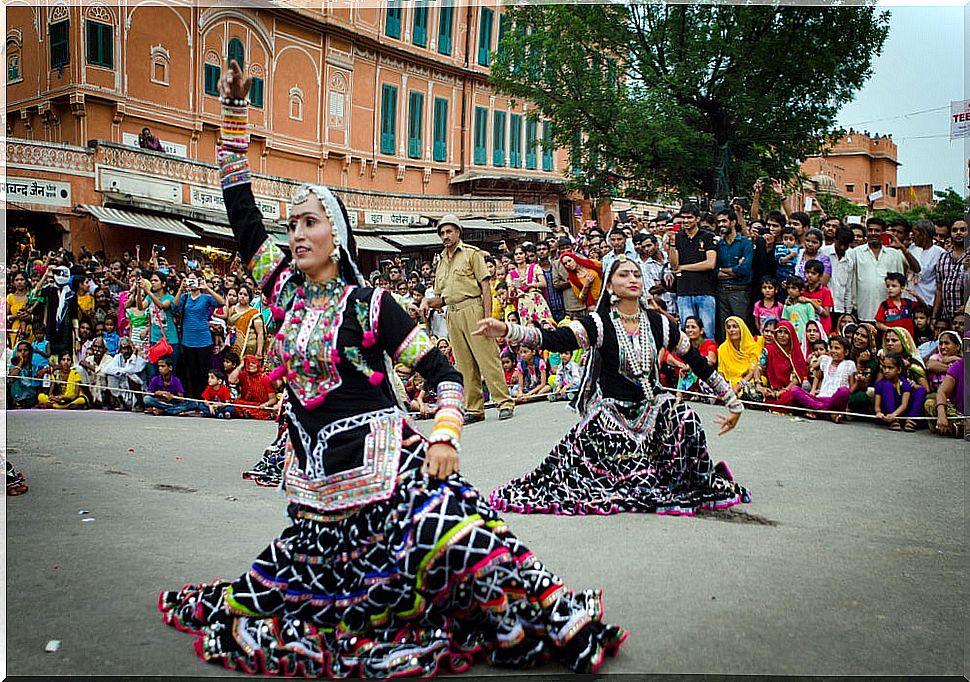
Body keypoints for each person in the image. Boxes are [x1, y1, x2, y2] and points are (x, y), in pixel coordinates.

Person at [160, 61, 623, 677]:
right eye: (292, 224)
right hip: (318, 489)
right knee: (298, 603)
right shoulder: (280, 292)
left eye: (310, 222)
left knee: (471, 548)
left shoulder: (373, 306)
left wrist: (445, 433)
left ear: (337, 236)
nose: (296, 233)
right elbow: (241, 212)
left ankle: (548, 614)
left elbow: (444, 373)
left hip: (394, 469)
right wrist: (235, 116)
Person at [477, 257, 749, 516]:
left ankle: (677, 477)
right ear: (609, 285)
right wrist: (505, 329)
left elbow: (697, 362)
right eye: (623, 274)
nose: (632, 279)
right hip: (612, 412)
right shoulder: (599, 323)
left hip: (652, 408)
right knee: (606, 452)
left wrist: (732, 402)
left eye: (636, 274)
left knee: (686, 418)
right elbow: (556, 340)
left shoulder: (660, 323)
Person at [426, 215, 515, 424]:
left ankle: (504, 402)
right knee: (464, 363)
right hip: (452, 312)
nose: (445, 236)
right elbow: (439, 297)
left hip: (472, 308)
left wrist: (487, 318)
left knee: (487, 357)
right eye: (442, 233)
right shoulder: (441, 261)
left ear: (458, 232)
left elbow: (485, 288)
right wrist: (425, 303)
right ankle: (474, 408)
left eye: (449, 231)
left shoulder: (471, 254)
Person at [668, 204, 717, 336]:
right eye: (683, 218)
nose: (686, 221)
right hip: (683, 291)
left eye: (689, 217)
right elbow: (674, 265)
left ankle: (709, 356)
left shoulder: (707, 236)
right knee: (687, 332)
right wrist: (672, 244)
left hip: (705, 291)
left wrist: (684, 267)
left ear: (697, 219)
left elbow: (710, 263)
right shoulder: (678, 237)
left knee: (707, 331)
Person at [845, 217, 906, 322]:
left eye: (877, 230)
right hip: (863, 310)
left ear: (883, 232)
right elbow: (851, 282)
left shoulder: (894, 254)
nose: (873, 233)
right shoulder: (855, 253)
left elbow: (900, 282)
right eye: (870, 230)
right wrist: (850, 307)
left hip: (889, 312)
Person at [174, 271, 224, 398]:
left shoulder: (206, 297)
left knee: (204, 372)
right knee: (193, 373)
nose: (191, 283)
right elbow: (175, 308)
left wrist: (206, 288)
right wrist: (181, 288)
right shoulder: (185, 297)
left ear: (199, 280)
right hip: (188, 340)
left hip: (204, 340)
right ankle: (196, 399)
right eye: (189, 280)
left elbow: (221, 302)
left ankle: (205, 399)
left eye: (193, 280)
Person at [788, 335, 856, 422]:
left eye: (837, 348)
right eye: (831, 347)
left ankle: (818, 411)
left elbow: (851, 388)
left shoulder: (849, 364)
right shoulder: (825, 361)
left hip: (835, 400)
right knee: (795, 390)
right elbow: (817, 376)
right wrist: (813, 390)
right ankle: (829, 414)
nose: (833, 351)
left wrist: (859, 383)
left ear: (846, 352)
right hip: (820, 398)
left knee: (844, 391)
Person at [756, 320, 807, 407]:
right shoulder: (769, 350)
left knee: (792, 395)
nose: (782, 335)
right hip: (770, 388)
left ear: (791, 335)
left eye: (786, 333)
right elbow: (759, 368)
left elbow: (797, 378)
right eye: (780, 332)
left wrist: (782, 392)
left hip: (788, 390)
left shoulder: (795, 353)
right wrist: (758, 385)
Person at [931, 215, 967, 325]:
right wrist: (934, 317)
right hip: (946, 319)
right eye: (954, 230)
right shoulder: (943, 257)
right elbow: (939, 289)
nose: (958, 233)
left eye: (963, 230)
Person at [717, 316, 764, 398]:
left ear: (742, 329)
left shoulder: (753, 347)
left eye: (735, 327)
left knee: (752, 386)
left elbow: (752, 371)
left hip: (748, 380)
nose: (731, 330)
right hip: (731, 381)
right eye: (728, 327)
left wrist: (737, 387)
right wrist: (721, 387)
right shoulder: (723, 348)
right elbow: (721, 371)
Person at [506, 246, 554, 325]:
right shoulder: (511, 275)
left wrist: (530, 285)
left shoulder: (534, 267)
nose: (518, 256)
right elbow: (511, 297)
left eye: (520, 253)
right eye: (516, 254)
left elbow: (544, 284)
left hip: (536, 300)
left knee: (546, 326)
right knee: (528, 330)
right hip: (523, 304)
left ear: (525, 255)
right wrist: (512, 289)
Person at [105, 337, 148, 411]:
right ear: (120, 350)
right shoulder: (118, 357)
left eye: (129, 348)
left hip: (137, 391)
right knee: (110, 376)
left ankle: (139, 403)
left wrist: (133, 357)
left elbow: (130, 370)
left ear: (133, 349)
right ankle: (120, 402)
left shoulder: (139, 359)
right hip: (123, 389)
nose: (126, 351)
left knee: (131, 376)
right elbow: (107, 369)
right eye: (124, 349)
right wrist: (122, 371)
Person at [873, 352, 913, 432]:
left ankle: (911, 421)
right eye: (884, 367)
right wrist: (878, 412)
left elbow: (904, 405)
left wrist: (894, 415)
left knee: (920, 391)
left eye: (890, 368)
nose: (886, 371)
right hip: (886, 415)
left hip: (899, 414)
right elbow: (877, 405)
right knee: (887, 385)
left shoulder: (904, 383)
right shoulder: (880, 383)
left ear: (899, 370)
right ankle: (893, 422)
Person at [7, 339, 48, 408]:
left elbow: (51, 366)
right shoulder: (13, 366)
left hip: (32, 401)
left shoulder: (34, 365)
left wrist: (45, 369)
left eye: (25, 350)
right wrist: (21, 362)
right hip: (16, 401)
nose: (22, 353)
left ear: (30, 352)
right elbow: (11, 378)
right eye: (20, 351)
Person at [932, 356, 964, 438]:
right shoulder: (959, 365)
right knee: (930, 403)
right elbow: (942, 391)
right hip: (960, 414)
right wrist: (941, 414)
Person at [874, 272, 915, 336]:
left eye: (894, 286)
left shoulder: (908, 303)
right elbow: (878, 324)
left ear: (902, 288)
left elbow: (923, 306)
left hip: (908, 340)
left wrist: (916, 295)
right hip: (891, 340)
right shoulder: (885, 305)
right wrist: (891, 330)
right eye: (888, 286)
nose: (890, 288)